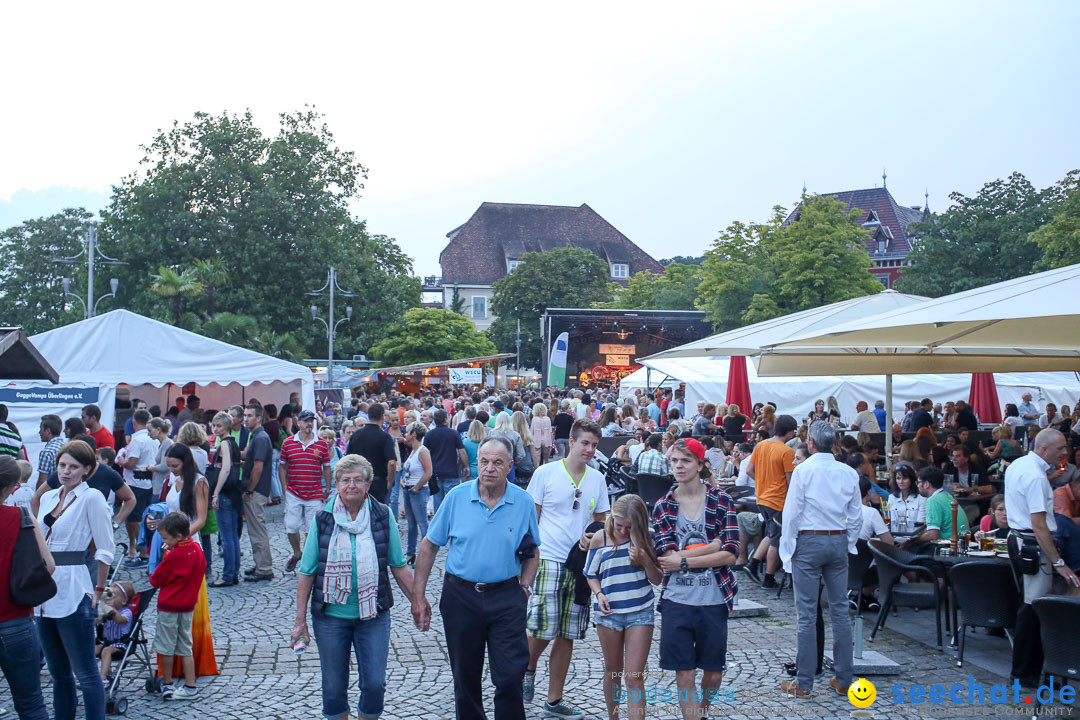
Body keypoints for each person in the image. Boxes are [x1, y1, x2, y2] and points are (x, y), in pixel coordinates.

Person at [411, 436, 540, 720]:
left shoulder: (523, 502)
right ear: (476, 463)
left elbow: (532, 551)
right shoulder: (457, 497)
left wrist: (525, 588)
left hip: (507, 597)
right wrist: (418, 597)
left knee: (509, 675)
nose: (489, 468)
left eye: (497, 462)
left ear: (509, 467)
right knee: (465, 677)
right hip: (461, 597)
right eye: (484, 461)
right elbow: (429, 546)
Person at [292, 454, 416, 720]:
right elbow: (307, 571)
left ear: (368, 485)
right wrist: (299, 619)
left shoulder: (383, 515)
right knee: (334, 687)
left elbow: (398, 564)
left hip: (373, 615)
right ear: (336, 484)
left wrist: (419, 600)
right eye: (345, 480)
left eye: (358, 480)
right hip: (331, 617)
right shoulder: (322, 519)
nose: (351, 486)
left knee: (374, 684)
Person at [523, 419, 609, 718]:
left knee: (567, 633)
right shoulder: (545, 473)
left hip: (579, 563)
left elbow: (601, 521)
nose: (589, 449)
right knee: (543, 626)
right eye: (585, 443)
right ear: (570, 442)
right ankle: (528, 667)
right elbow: (531, 519)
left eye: (594, 445)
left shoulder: (597, 478)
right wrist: (525, 562)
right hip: (548, 556)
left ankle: (554, 700)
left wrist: (594, 536)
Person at [650, 438, 738, 720]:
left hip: (714, 599)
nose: (678, 466)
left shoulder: (721, 500)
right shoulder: (663, 506)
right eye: (675, 460)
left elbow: (731, 554)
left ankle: (702, 713)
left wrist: (686, 559)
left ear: (700, 465)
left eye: (686, 460)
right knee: (684, 672)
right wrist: (712, 546)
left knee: (713, 674)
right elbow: (667, 559)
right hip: (677, 600)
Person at [778, 420, 860, 699]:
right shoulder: (848, 472)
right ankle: (844, 678)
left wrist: (787, 551)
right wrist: (846, 542)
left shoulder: (803, 472)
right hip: (837, 538)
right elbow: (856, 515)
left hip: (810, 539)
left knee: (807, 614)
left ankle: (804, 683)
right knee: (840, 612)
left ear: (811, 443)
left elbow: (791, 514)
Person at [36, 440, 116, 720]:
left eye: (73, 467)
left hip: (74, 589)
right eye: (62, 466)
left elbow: (106, 547)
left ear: (87, 470)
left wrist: (99, 589)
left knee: (86, 673)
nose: (66, 472)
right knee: (59, 674)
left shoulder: (91, 497)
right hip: (44, 593)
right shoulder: (48, 497)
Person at [1006, 429, 1080, 687]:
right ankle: (1025, 674)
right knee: (1034, 609)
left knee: (1031, 607)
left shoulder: (1020, 464)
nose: (1065, 452)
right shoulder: (1035, 476)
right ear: (1045, 449)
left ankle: (1032, 671)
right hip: (1032, 544)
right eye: (1061, 448)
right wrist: (1058, 563)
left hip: (1020, 540)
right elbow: (1039, 525)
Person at [584, 494, 662, 720]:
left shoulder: (648, 539)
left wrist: (645, 559)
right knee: (613, 670)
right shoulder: (600, 538)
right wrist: (598, 594)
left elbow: (657, 579)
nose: (623, 531)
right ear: (612, 518)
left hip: (640, 611)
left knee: (634, 676)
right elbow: (591, 574)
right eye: (619, 525)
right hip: (608, 614)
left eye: (629, 527)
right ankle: (614, 717)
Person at [0, 456, 53, 720]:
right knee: (30, 703)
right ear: (12, 488)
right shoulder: (22, 517)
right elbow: (49, 566)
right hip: (16, 621)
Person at [148, 512, 205, 700]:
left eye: (165, 537)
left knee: (166, 647)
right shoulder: (196, 549)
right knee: (185, 646)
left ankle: (167, 683)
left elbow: (156, 579)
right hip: (188, 606)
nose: (163, 541)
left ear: (178, 536)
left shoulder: (173, 556)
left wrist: (167, 554)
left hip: (169, 606)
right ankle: (190, 685)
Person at [745, 414, 797, 589]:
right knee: (776, 539)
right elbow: (791, 481)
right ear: (789, 432)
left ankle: (753, 563)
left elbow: (749, 470)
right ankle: (768, 576)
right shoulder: (786, 451)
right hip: (778, 500)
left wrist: (763, 480)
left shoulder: (761, 445)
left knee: (771, 533)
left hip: (762, 497)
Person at [280, 410, 332, 574]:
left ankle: (308, 560)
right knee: (291, 526)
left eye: (312, 421)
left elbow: (327, 468)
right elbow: (282, 466)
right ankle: (297, 553)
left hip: (315, 492)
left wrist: (328, 488)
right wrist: (284, 486)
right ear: (299, 423)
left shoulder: (322, 444)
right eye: (306, 421)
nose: (310, 424)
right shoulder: (288, 443)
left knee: (313, 529)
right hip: (294, 491)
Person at [241, 404, 275, 582]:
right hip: (257, 489)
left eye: (249, 415)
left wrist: (250, 489)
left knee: (257, 530)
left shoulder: (260, 438)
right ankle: (261, 563)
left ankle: (264, 568)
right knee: (255, 530)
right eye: (245, 415)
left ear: (259, 418)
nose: (245, 418)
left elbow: (258, 467)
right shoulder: (256, 436)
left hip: (257, 490)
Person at [208, 413, 242, 587]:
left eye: (218, 426)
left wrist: (215, 492)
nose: (215, 429)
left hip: (226, 493)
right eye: (214, 425)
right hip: (233, 493)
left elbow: (226, 468)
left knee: (228, 537)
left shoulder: (226, 444)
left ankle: (228, 575)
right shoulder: (232, 443)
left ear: (227, 427)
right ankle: (233, 572)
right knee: (232, 537)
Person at [903, 466, 970, 551]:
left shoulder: (933, 500)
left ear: (926, 484)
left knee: (908, 549)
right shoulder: (947, 495)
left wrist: (912, 541)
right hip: (962, 546)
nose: (918, 486)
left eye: (919, 482)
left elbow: (932, 534)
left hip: (948, 549)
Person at [345, 403, 397, 505]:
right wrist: (390, 481)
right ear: (382, 417)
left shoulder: (356, 435)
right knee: (377, 513)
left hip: (359, 480)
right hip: (378, 481)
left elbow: (348, 459)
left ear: (368, 416)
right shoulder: (385, 437)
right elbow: (392, 462)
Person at [401, 422, 432, 565]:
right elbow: (409, 470)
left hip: (418, 491)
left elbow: (428, 472)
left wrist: (417, 487)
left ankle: (427, 553)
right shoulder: (413, 451)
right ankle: (410, 553)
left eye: (407, 432)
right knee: (411, 524)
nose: (405, 435)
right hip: (408, 489)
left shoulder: (422, 450)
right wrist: (403, 480)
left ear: (413, 434)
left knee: (422, 523)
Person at [425, 409, 468, 512]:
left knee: (438, 505)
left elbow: (425, 452)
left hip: (435, 473)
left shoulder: (430, 434)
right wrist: (466, 466)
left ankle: (439, 525)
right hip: (451, 472)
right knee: (452, 504)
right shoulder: (453, 433)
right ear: (446, 419)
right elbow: (461, 451)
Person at [96, 580, 136, 684]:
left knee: (106, 651)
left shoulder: (127, 612)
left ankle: (103, 678)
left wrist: (111, 609)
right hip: (107, 642)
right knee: (93, 649)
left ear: (123, 601)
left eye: (113, 596)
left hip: (121, 644)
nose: (110, 599)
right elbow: (98, 621)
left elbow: (119, 620)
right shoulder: (108, 610)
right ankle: (83, 673)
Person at [887, 464, 926, 534]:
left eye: (904, 478)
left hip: (915, 538)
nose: (901, 482)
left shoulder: (921, 499)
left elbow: (921, 525)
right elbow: (891, 522)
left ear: (911, 479)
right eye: (898, 478)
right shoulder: (891, 498)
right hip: (896, 537)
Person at [857, 476, 894, 545]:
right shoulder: (871, 512)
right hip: (864, 554)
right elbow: (889, 543)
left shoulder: (841, 510)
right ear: (869, 492)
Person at [35, 414, 65, 487]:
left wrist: (37, 496)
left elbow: (42, 481)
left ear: (48, 431)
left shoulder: (47, 451)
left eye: (41, 429)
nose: (39, 432)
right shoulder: (67, 446)